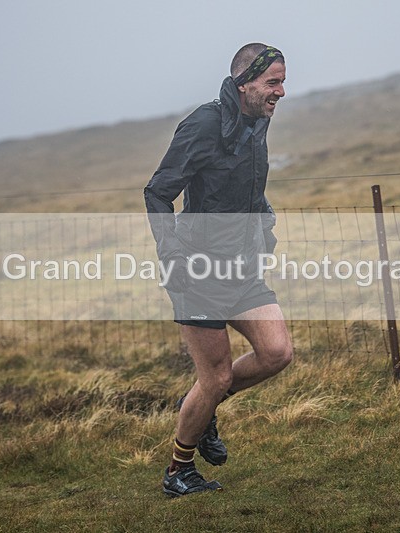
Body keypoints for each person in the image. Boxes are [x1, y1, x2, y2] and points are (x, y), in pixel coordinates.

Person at [144, 43, 293, 497]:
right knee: (216, 376)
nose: (281, 92)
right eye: (273, 83)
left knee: (277, 353)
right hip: (198, 270)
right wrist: (173, 258)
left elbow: (249, 188)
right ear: (244, 82)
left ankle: (201, 407)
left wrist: (264, 224)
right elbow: (157, 192)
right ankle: (178, 472)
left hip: (242, 269)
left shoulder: (258, 121)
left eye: (283, 82)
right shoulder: (204, 124)